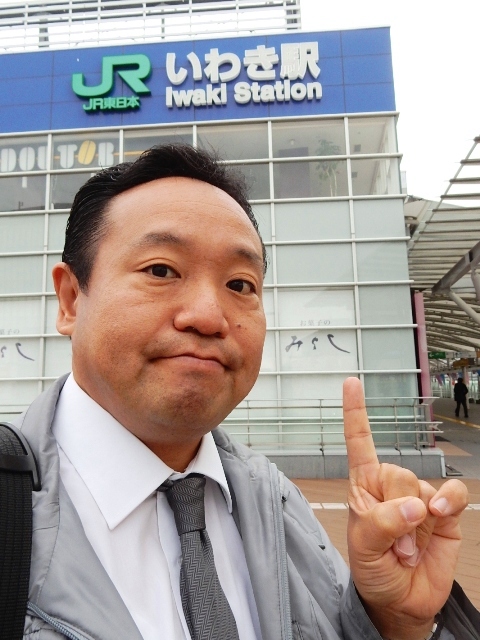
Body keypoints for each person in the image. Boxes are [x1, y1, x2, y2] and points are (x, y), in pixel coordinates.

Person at [16, 144, 476, 640]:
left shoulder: (275, 499)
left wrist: (394, 621)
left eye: (239, 284)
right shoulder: (12, 509)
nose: (208, 316)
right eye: (161, 270)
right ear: (71, 300)